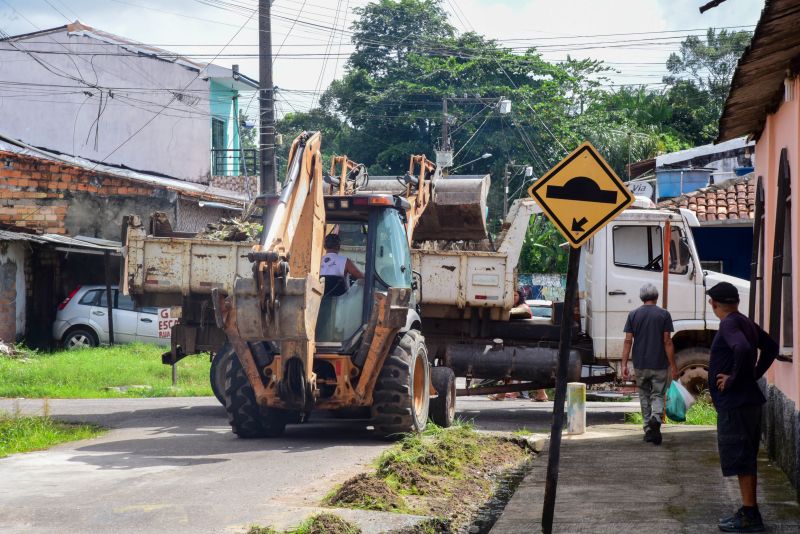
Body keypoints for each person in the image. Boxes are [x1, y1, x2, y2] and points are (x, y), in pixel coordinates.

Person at [706, 281, 777, 533]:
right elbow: (771, 347)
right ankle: (749, 511)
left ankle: (750, 516)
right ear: (736, 301)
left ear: (713, 304)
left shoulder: (728, 323)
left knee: (741, 457)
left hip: (737, 404)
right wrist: (753, 375)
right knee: (745, 457)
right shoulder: (745, 321)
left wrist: (736, 378)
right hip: (747, 401)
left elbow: (744, 348)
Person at [621, 283, 678, 445]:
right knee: (658, 394)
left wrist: (624, 364)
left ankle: (647, 429)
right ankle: (656, 418)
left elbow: (627, 341)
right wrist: (673, 366)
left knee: (644, 395)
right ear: (656, 297)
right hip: (659, 363)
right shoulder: (664, 315)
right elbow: (667, 341)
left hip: (640, 364)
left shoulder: (633, 315)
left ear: (641, 297)